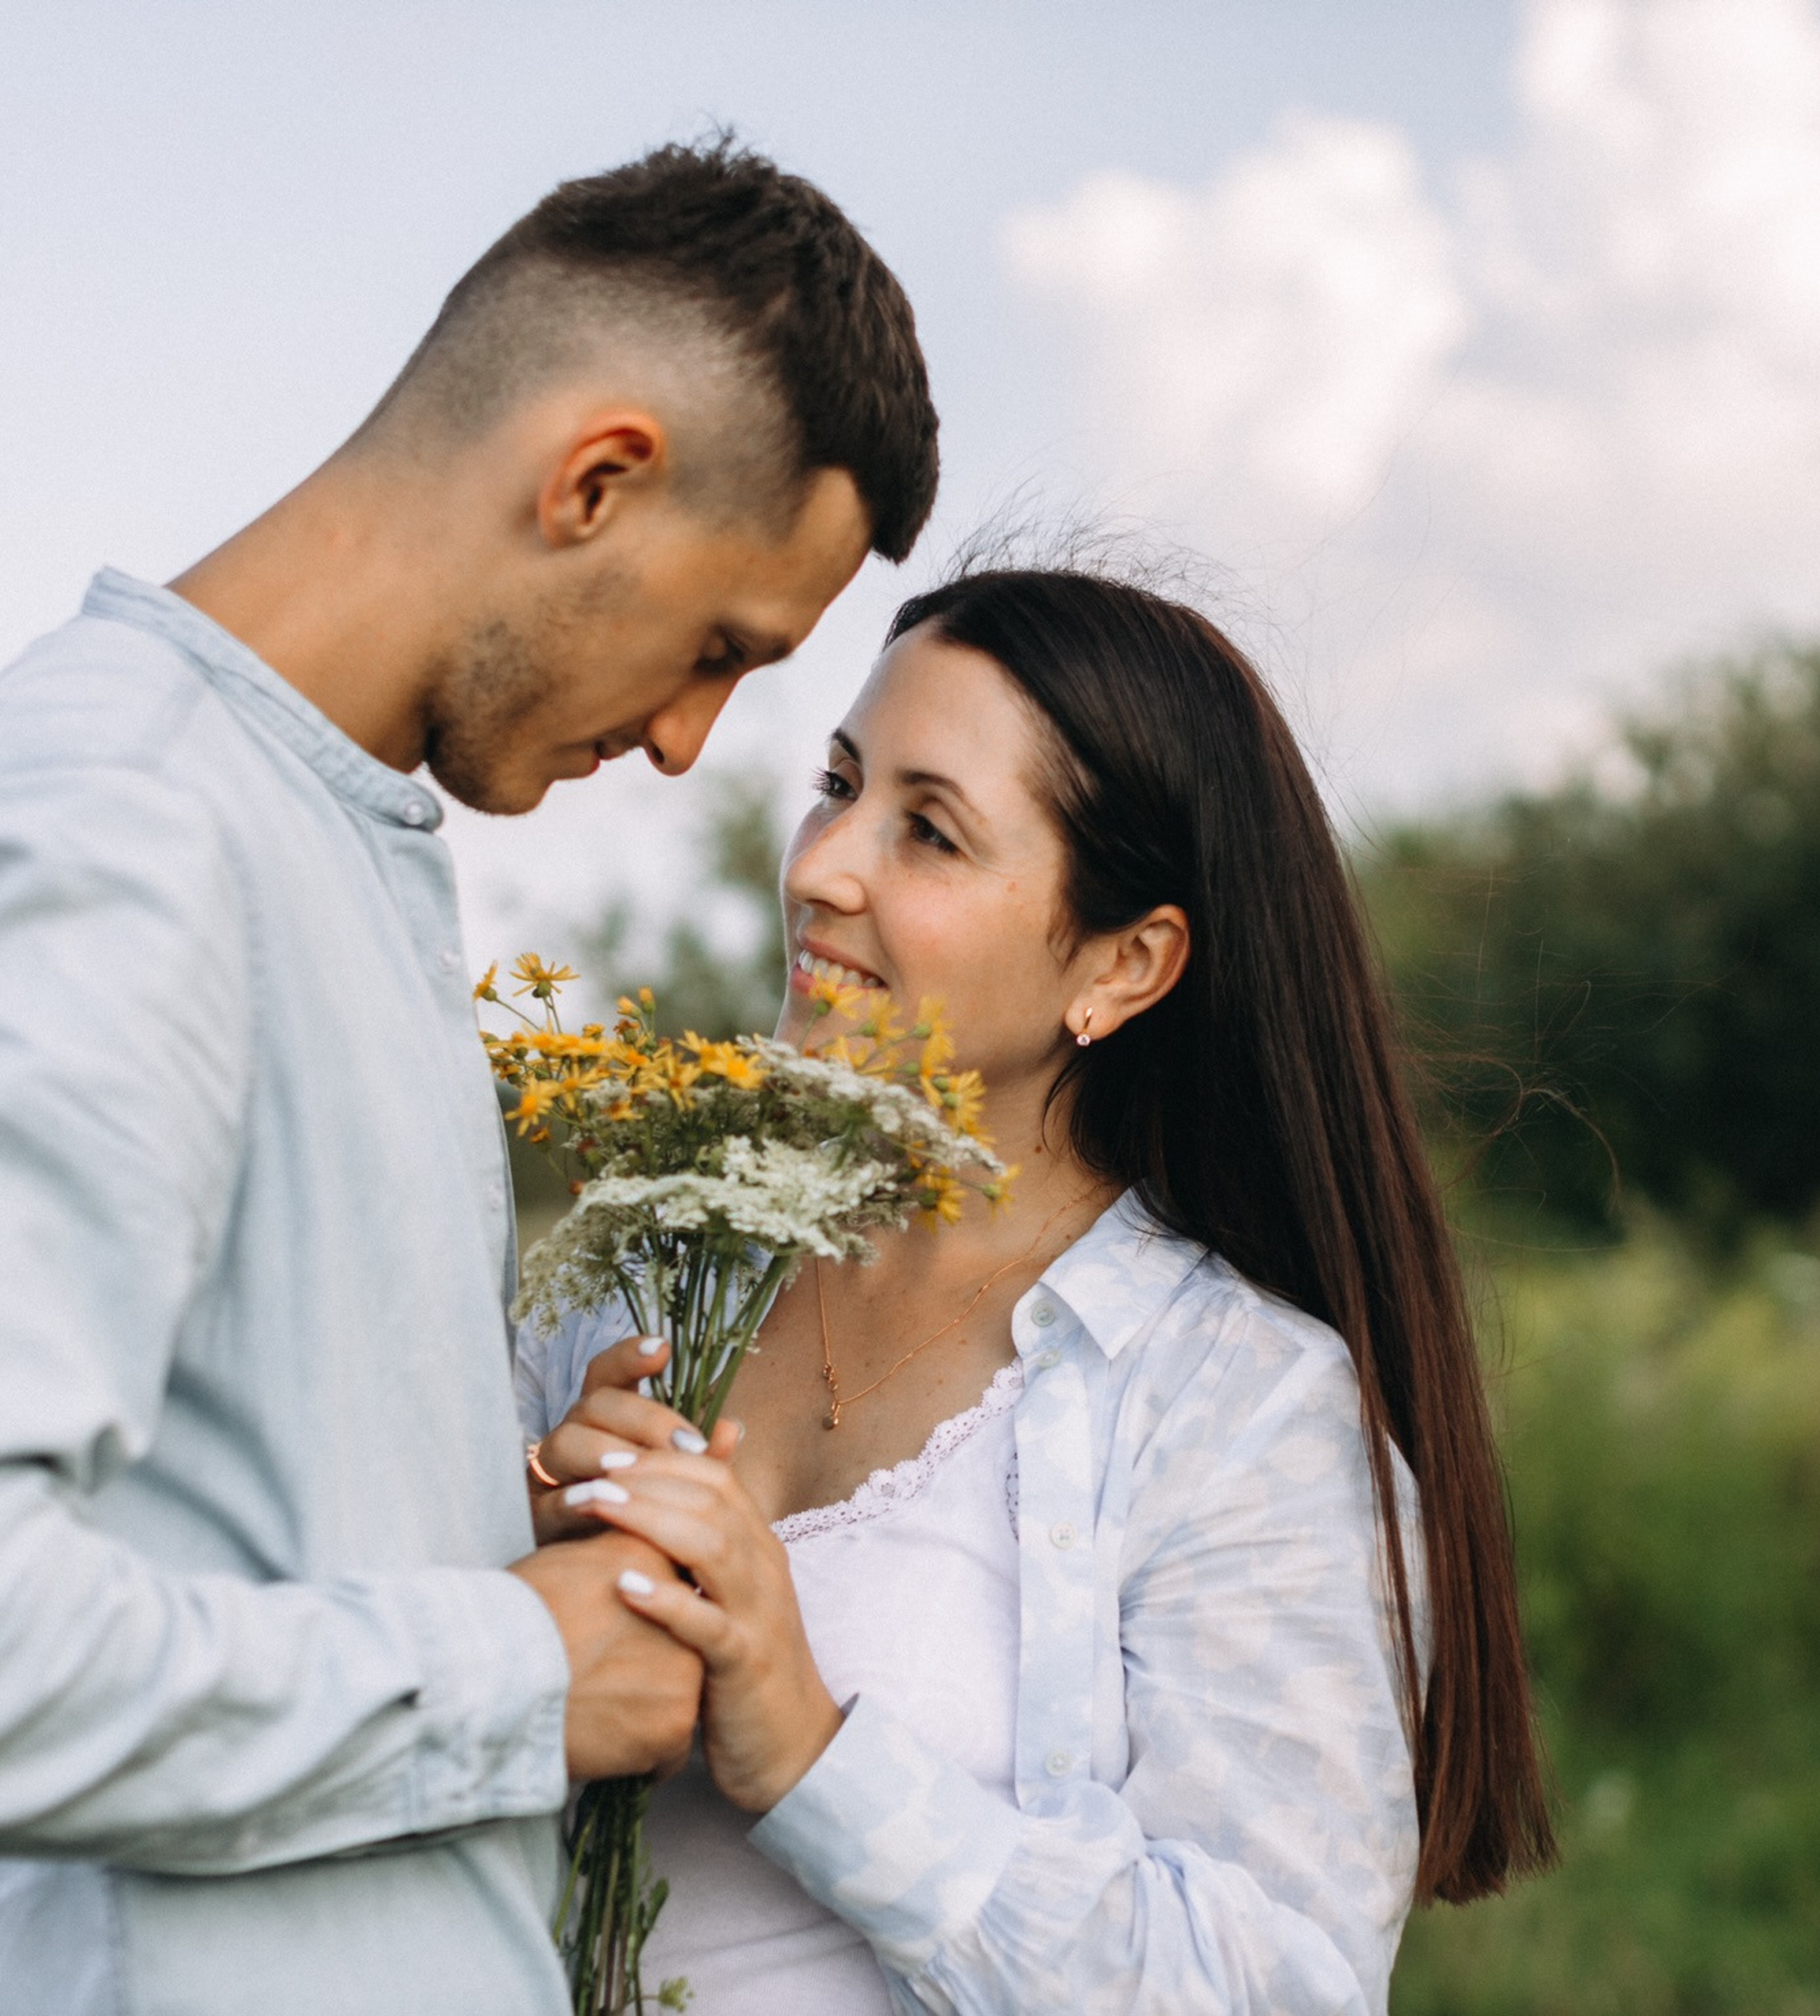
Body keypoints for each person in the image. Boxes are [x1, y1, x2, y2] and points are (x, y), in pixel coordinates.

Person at [0, 139, 936, 2015]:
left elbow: (209, 1535)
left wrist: (504, 1525)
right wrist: (516, 1662)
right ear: (596, 480)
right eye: (717, 649)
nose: (688, 743)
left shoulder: (323, 839)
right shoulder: (128, 826)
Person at [521, 566, 1557, 2014]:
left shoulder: (1242, 1409)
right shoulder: (641, 1280)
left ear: (1125, 965)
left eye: (929, 832)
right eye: (839, 784)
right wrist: (513, 1577)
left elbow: (1272, 1992)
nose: (823, 865)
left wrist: (811, 1753)